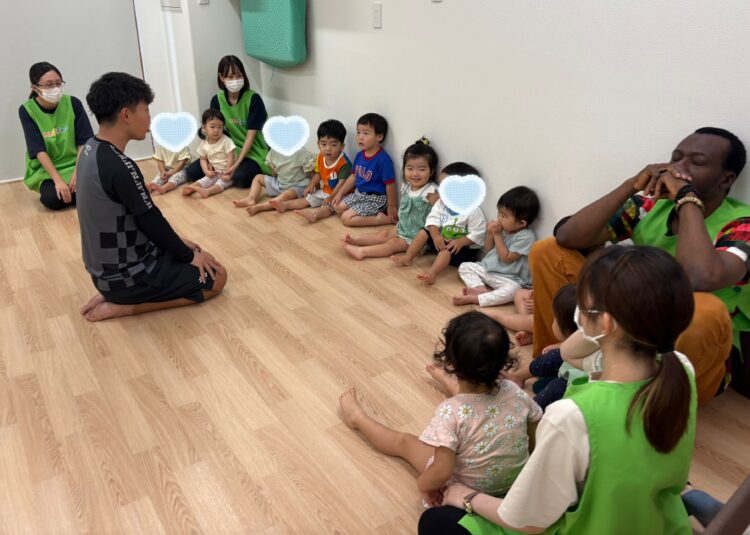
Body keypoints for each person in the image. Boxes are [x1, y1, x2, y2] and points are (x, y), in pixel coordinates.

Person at [420, 245, 698, 535]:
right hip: (657, 520)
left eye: (582, 304)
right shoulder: (680, 366)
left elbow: (528, 523)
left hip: (590, 527)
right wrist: (598, 326)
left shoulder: (570, 416)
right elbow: (568, 352)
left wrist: (466, 496)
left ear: (605, 322)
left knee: (435, 523)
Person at [530, 127, 750, 404]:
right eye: (676, 158)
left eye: (696, 162)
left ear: (726, 179)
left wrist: (687, 198)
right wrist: (630, 185)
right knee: (548, 251)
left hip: (686, 349)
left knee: (704, 308)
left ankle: (652, 401)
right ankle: (557, 360)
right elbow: (568, 236)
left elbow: (698, 278)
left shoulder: (743, 223)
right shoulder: (650, 206)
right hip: (627, 327)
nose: (678, 169)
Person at [339, 311, 541, 506]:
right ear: (504, 360)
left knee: (404, 442)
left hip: (467, 491)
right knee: (475, 408)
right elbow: (534, 437)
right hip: (515, 483)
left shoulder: (450, 412)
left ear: (450, 362)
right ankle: (446, 382)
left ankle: (356, 418)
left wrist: (424, 485)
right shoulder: (515, 392)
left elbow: (442, 471)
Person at [76, 72, 226, 322]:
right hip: (126, 277)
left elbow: (135, 218)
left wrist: (178, 245)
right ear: (126, 115)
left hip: (106, 274)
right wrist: (187, 256)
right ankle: (125, 307)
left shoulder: (91, 148)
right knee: (217, 277)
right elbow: (150, 220)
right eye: (145, 110)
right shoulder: (120, 166)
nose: (149, 118)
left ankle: (120, 295)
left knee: (189, 248)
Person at [505, 284, 601, 410]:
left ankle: (529, 411)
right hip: (577, 364)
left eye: (555, 318)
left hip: (579, 384)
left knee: (557, 388)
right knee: (553, 357)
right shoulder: (595, 335)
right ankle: (518, 376)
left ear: (567, 330)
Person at [181, 55, 270, 188]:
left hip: (252, 151)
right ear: (221, 78)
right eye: (230, 77)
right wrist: (210, 157)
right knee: (193, 171)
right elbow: (212, 132)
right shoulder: (216, 100)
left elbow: (250, 138)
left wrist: (235, 164)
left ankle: (221, 181)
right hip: (225, 148)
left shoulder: (253, 99)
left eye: (239, 76)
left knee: (241, 178)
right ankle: (171, 180)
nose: (235, 80)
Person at [342, 138, 439, 259]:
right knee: (383, 234)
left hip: (416, 238)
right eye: (410, 169)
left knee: (392, 244)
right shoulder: (407, 186)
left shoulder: (431, 191)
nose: (415, 174)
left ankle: (362, 252)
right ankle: (356, 241)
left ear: (431, 171)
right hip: (403, 228)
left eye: (422, 169)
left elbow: (440, 216)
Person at [392, 162, 487, 285]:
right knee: (424, 231)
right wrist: (436, 236)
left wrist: (461, 241)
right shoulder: (441, 204)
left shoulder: (473, 211)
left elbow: (478, 233)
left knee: (445, 251)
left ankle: (432, 273)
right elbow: (432, 220)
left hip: (462, 251)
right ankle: (408, 257)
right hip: (442, 242)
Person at [19, 62, 94, 210]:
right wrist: (58, 181)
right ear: (35, 88)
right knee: (52, 199)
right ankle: (79, 195)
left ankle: (79, 193)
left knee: (100, 185)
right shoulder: (27, 110)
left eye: (58, 83)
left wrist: (78, 172)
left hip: (76, 163)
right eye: (48, 85)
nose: (55, 88)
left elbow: (83, 142)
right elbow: (38, 150)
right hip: (47, 170)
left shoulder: (73, 103)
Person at [453, 187, 539, 307]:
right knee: (464, 266)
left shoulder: (526, 237)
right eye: (499, 213)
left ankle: (478, 299)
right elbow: (487, 249)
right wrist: (490, 234)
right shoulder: (503, 229)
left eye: (504, 216)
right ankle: (480, 289)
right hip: (489, 270)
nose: (499, 218)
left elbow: (506, 258)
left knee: (514, 290)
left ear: (521, 223)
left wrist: (497, 235)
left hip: (509, 278)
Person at [267, 119, 352, 223]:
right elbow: (318, 174)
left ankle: (314, 214)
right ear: (318, 144)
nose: (328, 149)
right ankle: (284, 205)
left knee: (328, 207)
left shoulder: (344, 163)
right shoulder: (320, 157)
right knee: (307, 199)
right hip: (325, 191)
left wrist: (331, 197)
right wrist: (311, 185)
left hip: (340, 194)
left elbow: (342, 183)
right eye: (324, 144)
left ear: (342, 146)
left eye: (333, 145)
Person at [330, 113, 398, 226]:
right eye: (358, 132)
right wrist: (339, 193)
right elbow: (353, 177)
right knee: (337, 207)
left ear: (379, 137)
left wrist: (391, 206)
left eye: (365, 133)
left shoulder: (383, 160)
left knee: (346, 219)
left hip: (375, 199)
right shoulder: (359, 155)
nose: (360, 137)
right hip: (359, 194)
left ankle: (382, 219)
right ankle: (363, 212)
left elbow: (390, 185)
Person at [232, 144, 315, 215]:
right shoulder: (274, 151)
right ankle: (251, 198)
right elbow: (273, 174)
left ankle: (261, 207)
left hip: (297, 186)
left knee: (287, 194)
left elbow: (311, 173)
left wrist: (313, 187)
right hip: (279, 183)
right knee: (258, 178)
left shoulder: (302, 152)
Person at [182, 109, 236, 198]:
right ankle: (192, 187)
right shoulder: (204, 143)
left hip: (229, 172)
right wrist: (206, 171)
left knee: (221, 183)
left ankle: (208, 191)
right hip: (215, 172)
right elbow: (203, 159)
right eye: (212, 127)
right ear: (204, 127)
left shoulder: (226, 141)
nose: (216, 130)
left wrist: (227, 173)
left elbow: (231, 158)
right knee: (205, 179)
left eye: (220, 127)